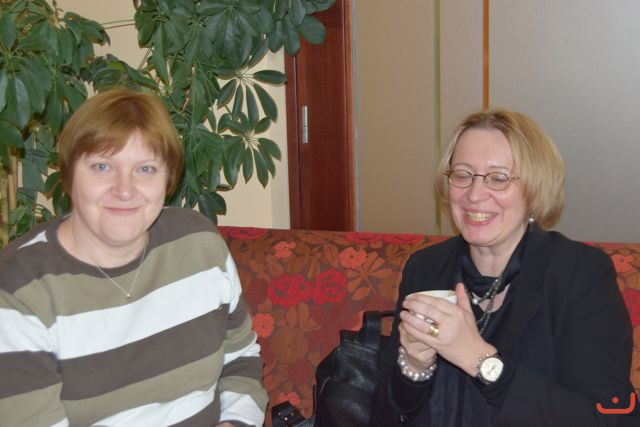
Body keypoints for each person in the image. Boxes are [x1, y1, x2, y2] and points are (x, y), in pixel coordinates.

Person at [0, 88, 268, 426]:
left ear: (168, 179)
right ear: (68, 176)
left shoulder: (199, 244)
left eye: (145, 169)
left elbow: (240, 359)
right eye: (102, 166)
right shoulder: (20, 288)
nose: (124, 190)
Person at [370, 109, 638, 426]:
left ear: (534, 191)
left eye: (498, 178)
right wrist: (415, 366)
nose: (474, 195)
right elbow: (383, 416)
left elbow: (606, 417)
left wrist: (479, 359)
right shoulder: (426, 267)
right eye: (462, 175)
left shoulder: (581, 274)